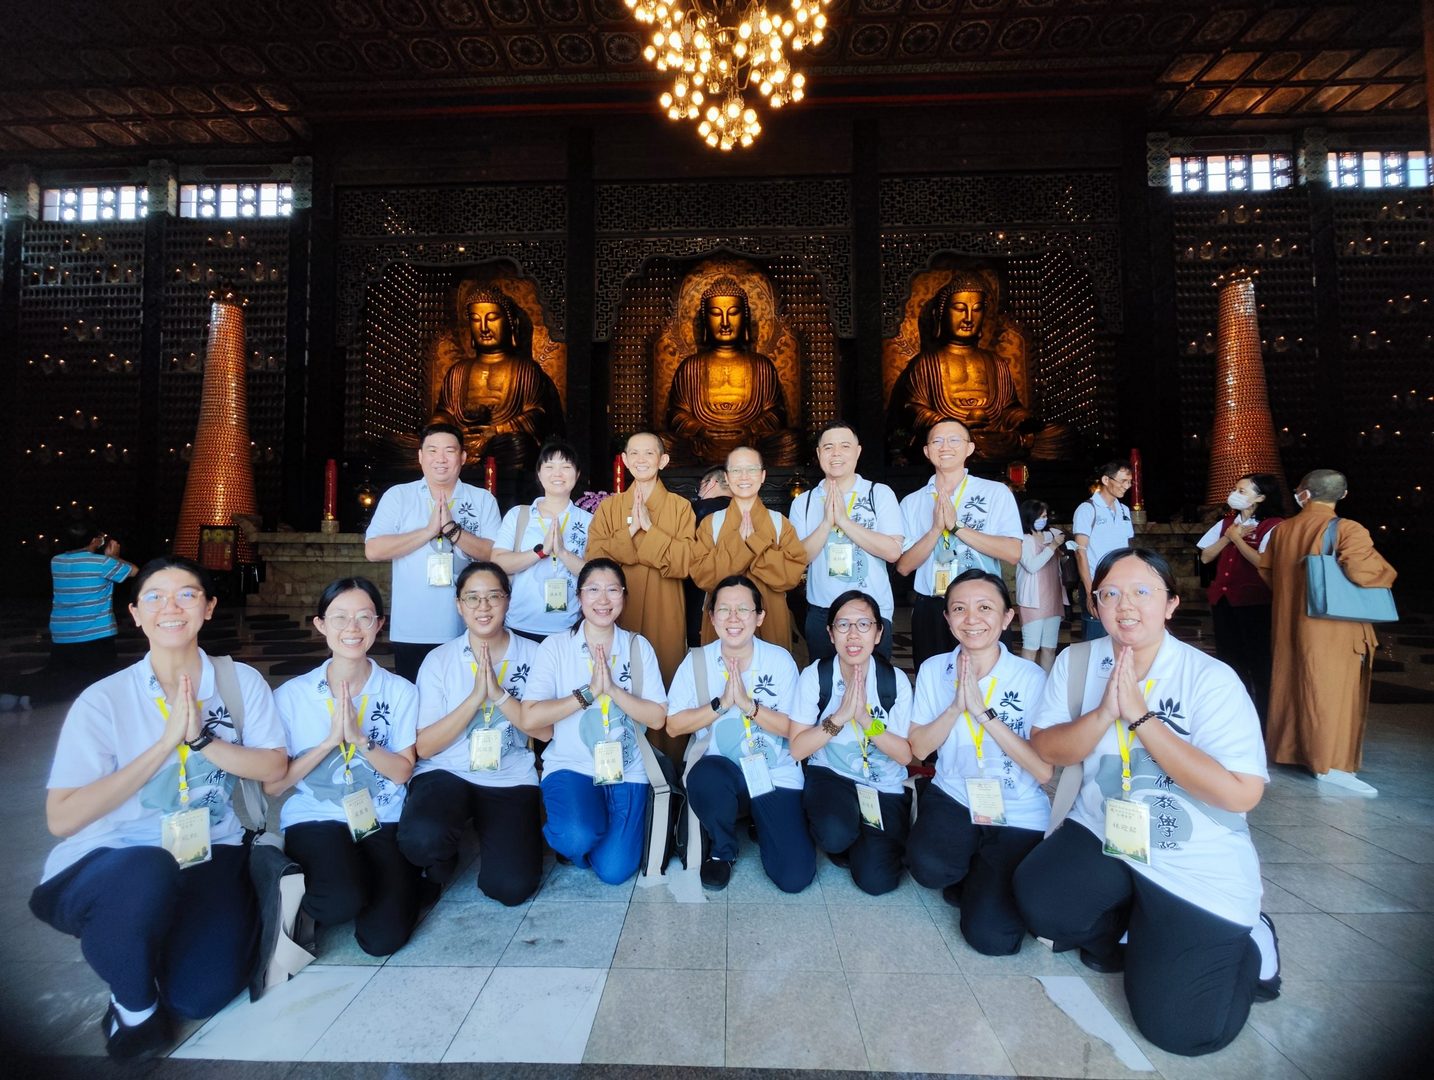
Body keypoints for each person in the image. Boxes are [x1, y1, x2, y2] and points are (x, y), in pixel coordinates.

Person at [1014, 548, 1281, 1058]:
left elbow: (1241, 792)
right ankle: (1139, 923)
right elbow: (1047, 748)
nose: (1125, 605)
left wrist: (1140, 717)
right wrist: (1103, 713)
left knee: (1183, 1032)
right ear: (1095, 604)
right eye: (1110, 594)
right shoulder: (1078, 662)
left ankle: (1252, 941)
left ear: (1171, 603)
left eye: (1142, 592)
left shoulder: (1208, 678)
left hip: (1191, 855)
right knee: (1043, 904)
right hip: (1104, 828)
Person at [29, 556, 287, 1061]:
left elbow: (274, 768)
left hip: (209, 848)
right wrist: (164, 744)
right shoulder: (105, 700)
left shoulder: (238, 683)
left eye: (187, 595)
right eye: (155, 597)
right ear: (135, 614)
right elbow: (62, 818)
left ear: (208, 608)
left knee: (201, 996)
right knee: (148, 871)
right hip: (115, 858)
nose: (171, 607)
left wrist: (201, 739)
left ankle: (150, 940)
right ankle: (133, 1009)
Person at [269, 578, 424, 956]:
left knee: (383, 940)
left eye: (364, 617)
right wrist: (328, 743)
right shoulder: (292, 696)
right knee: (338, 902)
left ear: (379, 624)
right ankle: (310, 883)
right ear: (320, 624)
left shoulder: (400, 691)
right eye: (339, 617)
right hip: (316, 816)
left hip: (382, 815)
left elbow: (403, 771)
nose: (352, 628)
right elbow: (274, 786)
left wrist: (360, 740)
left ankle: (391, 880)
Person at [905, 570, 1050, 955]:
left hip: (1017, 807)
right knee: (927, 868)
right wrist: (956, 706)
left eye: (985, 608)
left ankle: (987, 876)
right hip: (954, 793)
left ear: (1007, 617)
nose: (971, 619)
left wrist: (984, 714)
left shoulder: (1031, 677)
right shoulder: (935, 669)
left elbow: (1043, 770)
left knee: (992, 939)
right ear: (947, 618)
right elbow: (919, 748)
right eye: (959, 609)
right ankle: (973, 868)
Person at [400, 563, 544, 906]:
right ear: (459, 605)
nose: (483, 607)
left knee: (512, 888)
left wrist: (500, 696)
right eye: (472, 598)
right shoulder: (439, 660)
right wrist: (474, 699)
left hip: (509, 775)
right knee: (422, 840)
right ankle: (441, 861)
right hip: (446, 770)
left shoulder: (535, 655)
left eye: (493, 596)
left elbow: (545, 731)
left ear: (508, 601)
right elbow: (425, 747)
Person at [665, 575, 815, 892]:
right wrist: (721, 705)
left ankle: (761, 819)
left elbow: (795, 730)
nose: (733, 618)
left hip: (774, 772)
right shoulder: (697, 662)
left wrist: (749, 706)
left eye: (744, 609)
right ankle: (723, 850)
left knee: (794, 877)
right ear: (711, 617)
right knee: (705, 777)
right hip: (723, 771)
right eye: (724, 609)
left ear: (759, 617)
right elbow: (674, 725)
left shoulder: (779, 660)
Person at [521, 559, 668, 884]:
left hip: (627, 768)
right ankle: (576, 835)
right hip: (571, 765)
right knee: (575, 836)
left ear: (624, 596)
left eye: (613, 590)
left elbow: (657, 718)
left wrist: (613, 690)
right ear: (579, 596)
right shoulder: (556, 647)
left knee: (615, 871)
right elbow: (530, 716)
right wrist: (587, 694)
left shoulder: (637, 646)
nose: (603, 600)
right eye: (593, 590)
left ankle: (593, 827)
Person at [1262, 469, 1396, 795]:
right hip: (1333, 629)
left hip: (1290, 624)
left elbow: (1267, 572)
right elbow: (1364, 572)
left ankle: (1291, 751)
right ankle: (1330, 764)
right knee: (1332, 694)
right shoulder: (1347, 529)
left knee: (1293, 685)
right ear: (1343, 495)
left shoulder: (1283, 530)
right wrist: (1387, 571)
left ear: (1304, 494)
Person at [790, 590, 915, 895]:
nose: (853, 634)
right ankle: (848, 832)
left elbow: (904, 756)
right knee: (834, 835)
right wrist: (839, 718)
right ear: (831, 633)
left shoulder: (894, 681)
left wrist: (865, 720)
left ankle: (865, 837)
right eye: (843, 625)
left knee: (877, 882)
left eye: (864, 624)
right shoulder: (816, 675)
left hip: (883, 785)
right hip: (832, 775)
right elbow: (797, 749)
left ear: (878, 633)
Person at [365, 421, 502, 681]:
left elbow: (495, 554)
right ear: (420, 456)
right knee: (416, 697)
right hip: (412, 627)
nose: (441, 459)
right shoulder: (399, 496)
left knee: (466, 696)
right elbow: (373, 550)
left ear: (463, 457)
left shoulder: (482, 499)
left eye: (449, 451)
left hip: (468, 627)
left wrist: (452, 530)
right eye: (432, 450)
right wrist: (428, 531)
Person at [585, 432, 697, 733]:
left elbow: (686, 562)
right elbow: (594, 559)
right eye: (634, 453)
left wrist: (649, 528)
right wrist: (632, 531)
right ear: (624, 460)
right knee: (619, 673)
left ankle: (665, 755)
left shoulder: (680, 507)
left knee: (665, 670)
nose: (641, 460)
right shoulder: (609, 508)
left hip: (665, 605)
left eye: (649, 453)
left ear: (663, 460)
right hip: (618, 608)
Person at [895, 419, 1022, 670]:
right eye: (937, 441)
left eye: (954, 440)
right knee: (934, 678)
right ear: (927, 451)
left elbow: (1013, 552)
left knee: (988, 677)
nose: (945, 447)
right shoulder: (912, 502)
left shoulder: (995, 493)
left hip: (982, 603)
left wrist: (957, 528)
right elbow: (904, 566)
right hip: (932, 605)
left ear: (969, 448)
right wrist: (935, 530)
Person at [886, 271, 1029, 461]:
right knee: (948, 442)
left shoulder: (996, 362)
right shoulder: (926, 363)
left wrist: (1023, 419)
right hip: (948, 438)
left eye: (977, 309)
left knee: (1056, 434)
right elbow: (912, 409)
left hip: (994, 437)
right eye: (960, 309)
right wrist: (948, 424)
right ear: (941, 314)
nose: (969, 318)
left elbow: (1009, 409)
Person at [790, 422, 904, 661]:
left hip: (871, 610)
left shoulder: (878, 493)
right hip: (822, 612)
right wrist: (826, 524)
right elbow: (798, 558)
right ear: (819, 453)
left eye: (844, 446)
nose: (836, 453)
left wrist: (844, 521)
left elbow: (893, 552)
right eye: (828, 447)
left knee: (873, 679)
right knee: (825, 680)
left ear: (858, 451)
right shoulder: (804, 502)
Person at [665, 277, 800, 466]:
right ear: (705, 320)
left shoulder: (761, 365)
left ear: (744, 318)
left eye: (733, 313)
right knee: (664, 443)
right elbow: (676, 415)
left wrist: (750, 430)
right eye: (715, 313)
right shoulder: (690, 367)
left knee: (790, 441)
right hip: (703, 444)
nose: (725, 322)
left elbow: (775, 413)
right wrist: (701, 430)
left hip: (751, 443)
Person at [431, 286, 565, 473]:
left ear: (511, 323)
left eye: (492, 318)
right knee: (403, 445)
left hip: (502, 444)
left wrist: (496, 431)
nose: (484, 327)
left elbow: (537, 414)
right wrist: (439, 425)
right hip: (459, 442)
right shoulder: (458, 371)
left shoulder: (525, 369)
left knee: (519, 445)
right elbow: (445, 412)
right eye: (475, 319)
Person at [691, 446, 808, 653]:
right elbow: (703, 576)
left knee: (769, 670)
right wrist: (747, 547)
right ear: (727, 477)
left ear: (763, 476)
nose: (744, 476)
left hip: (771, 617)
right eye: (736, 470)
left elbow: (791, 575)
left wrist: (753, 542)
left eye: (752, 469)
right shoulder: (711, 524)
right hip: (723, 619)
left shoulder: (780, 523)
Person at [1197, 474, 1287, 727]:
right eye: (1236, 489)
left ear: (1261, 497)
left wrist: (1238, 540)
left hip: (1255, 602)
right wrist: (1229, 536)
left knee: (1259, 661)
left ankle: (1264, 722)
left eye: (1242, 491)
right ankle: (1236, 719)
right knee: (1230, 661)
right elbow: (1206, 556)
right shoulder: (1228, 523)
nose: (1235, 494)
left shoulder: (1274, 525)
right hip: (1224, 600)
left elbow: (1263, 562)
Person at [490, 439, 591, 642]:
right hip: (519, 626)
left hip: (569, 630)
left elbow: (596, 575)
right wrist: (540, 552)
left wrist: (562, 553)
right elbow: (498, 562)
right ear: (538, 473)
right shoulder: (519, 515)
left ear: (577, 474)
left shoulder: (589, 521)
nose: (557, 474)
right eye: (549, 467)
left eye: (566, 467)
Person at [48, 526, 137, 686]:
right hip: (96, 634)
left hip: (62, 633)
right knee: (101, 683)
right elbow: (134, 571)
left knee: (64, 682)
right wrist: (113, 557)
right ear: (94, 541)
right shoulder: (102, 563)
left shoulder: (56, 561)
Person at [1072, 459, 1135, 641]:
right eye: (1122, 481)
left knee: (1120, 637)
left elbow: (1126, 548)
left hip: (1121, 584)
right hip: (1097, 585)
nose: (1127, 486)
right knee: (1095, 638)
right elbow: (1080, 552)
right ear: (1106, 480)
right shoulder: (1087, 509)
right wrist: (1090, 592)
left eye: (1129, 482)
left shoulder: (1124, 510)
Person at [1016, 499, 1066, 672]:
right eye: (1040, 516)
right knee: (1031, 648)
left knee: (1050, 648)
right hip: (1033, 601)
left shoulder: (1051, 535)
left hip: (1053, 598)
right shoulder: (1023, 540)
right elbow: (1032, 566)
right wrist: (1053, 546)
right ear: (1029, 517)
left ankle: (1046, 683)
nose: (1044, 520)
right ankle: (1027, 684)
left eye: (1045, 516)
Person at [685, 465, 731, 646]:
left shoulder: (696, 510)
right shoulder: (748, 511)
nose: (699, 493)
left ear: (711, 483)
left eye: (700, 486)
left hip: (700, 590)